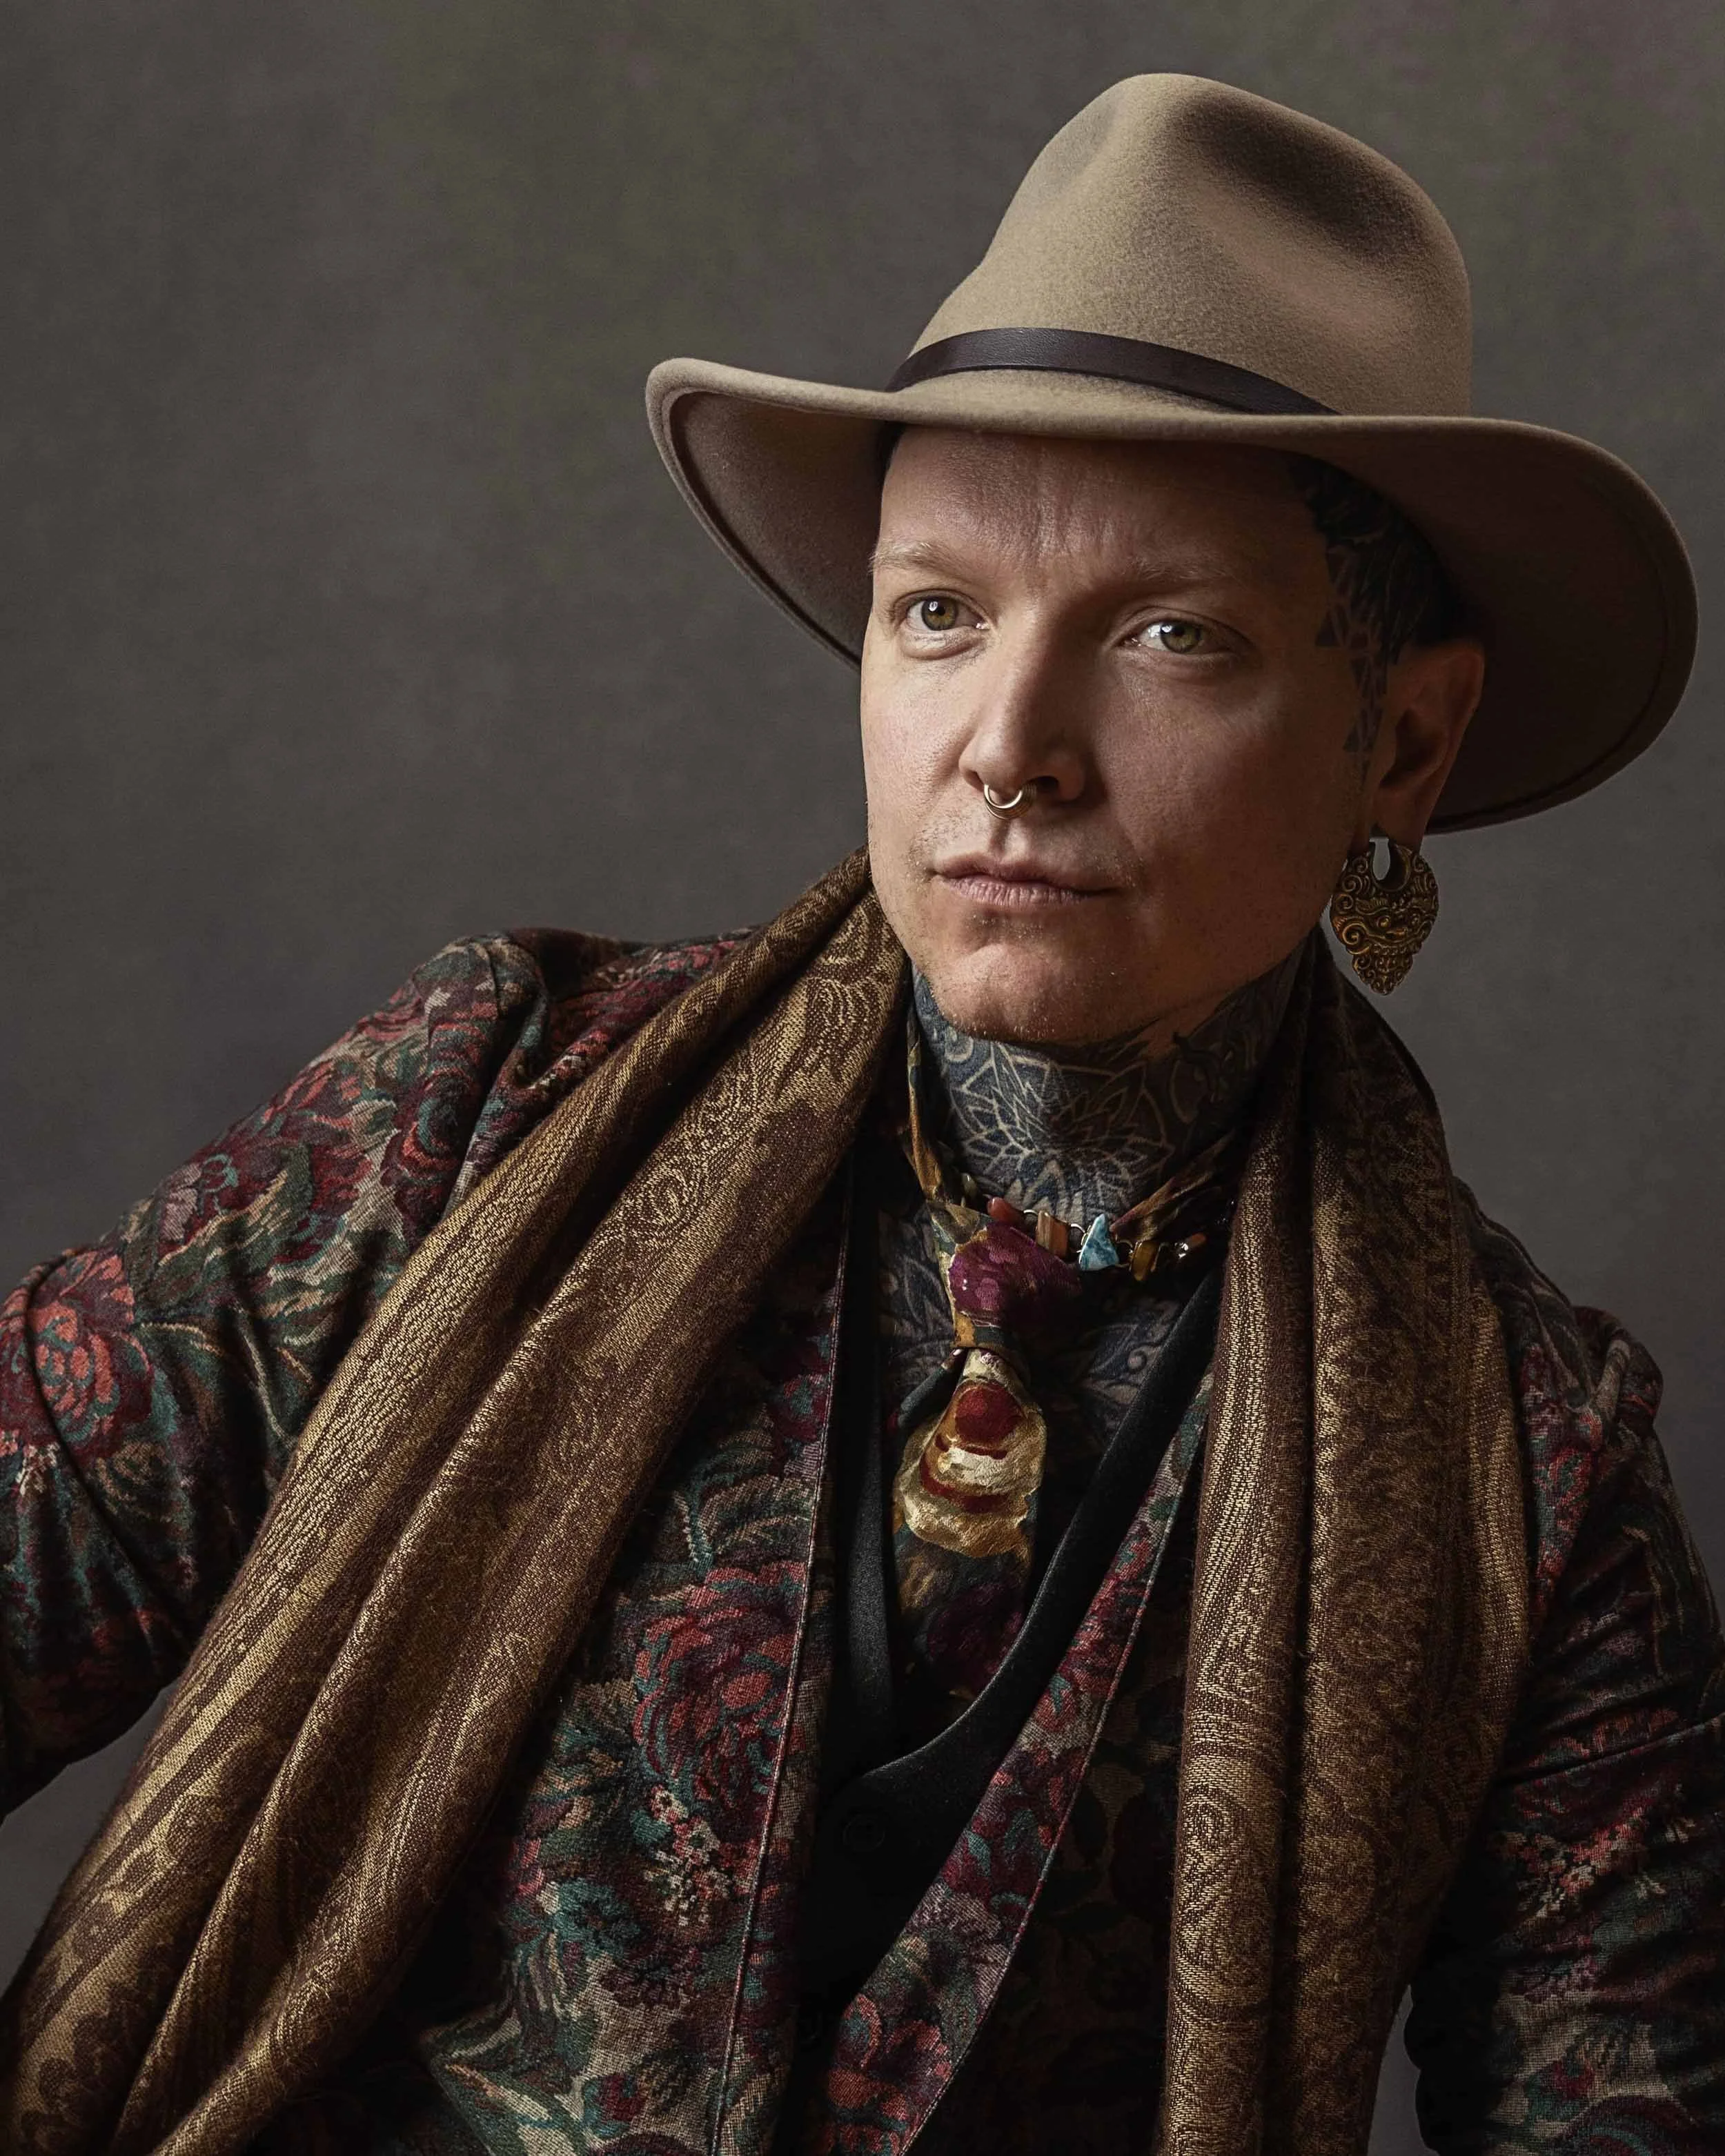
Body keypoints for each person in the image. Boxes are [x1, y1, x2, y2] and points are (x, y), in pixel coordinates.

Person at [2, 71, 1721, 2156]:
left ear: (1404, 733)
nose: (1007, 745)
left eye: (1168, 634)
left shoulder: (1529, 1482)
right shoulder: (479, 1115)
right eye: (937, 612)